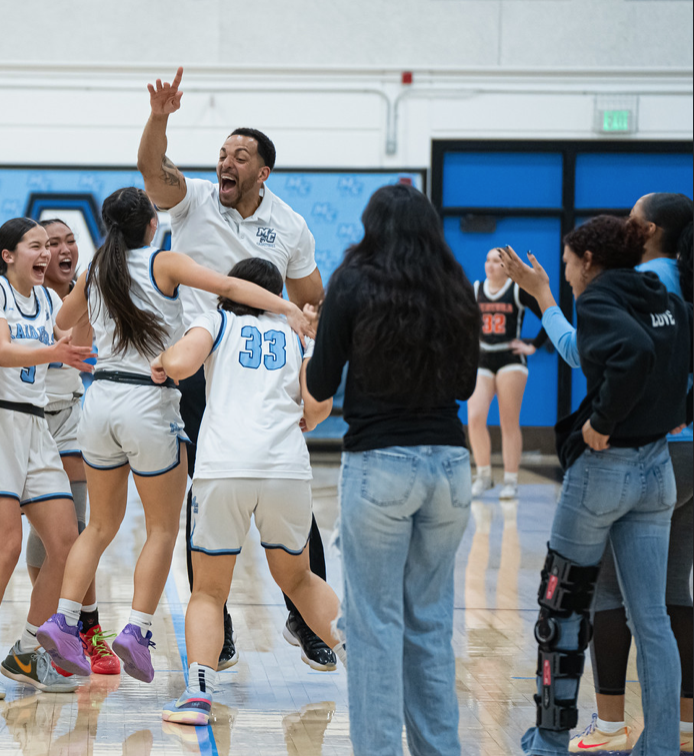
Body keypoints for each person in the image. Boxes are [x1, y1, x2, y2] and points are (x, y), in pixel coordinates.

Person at [36, 188, 311, 684]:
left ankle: (63, 619)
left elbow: (61, 321)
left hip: (98, 403)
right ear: (149, 226)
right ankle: (137, 630)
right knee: (162, 528)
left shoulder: (97, 268)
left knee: (98, 527)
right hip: (148, 398)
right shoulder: (164, 262)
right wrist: (286, 308)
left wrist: (91, 336)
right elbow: (231, 284)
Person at [136, 66, 330, 670]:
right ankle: (213, 629)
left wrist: (313, 343)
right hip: (202, 360)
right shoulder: (192, 198)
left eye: (239, 156)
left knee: (289, 485)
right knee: (208, 493)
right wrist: (160, 118)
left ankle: (308, 618)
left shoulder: (290, 225)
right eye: (222, 153)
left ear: (261, 171)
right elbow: (151, 170)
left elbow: (310, 295)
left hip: (264, 367)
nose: (226, 162)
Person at [500, 195, 693, 754]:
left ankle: (551, 737)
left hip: (607, 470)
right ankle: (658, 744)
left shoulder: (604, 295)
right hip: (658, 471)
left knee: (562, 601)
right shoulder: (661, 292)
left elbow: (622, 354)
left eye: (565, 264)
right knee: (652, 615)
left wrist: (602, 422)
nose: (564, 272)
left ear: (586, 260)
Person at [305, 183, 481, 755]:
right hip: (451, 466)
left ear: (372, 226)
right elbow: (464, 386)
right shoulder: (456, 288)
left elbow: (321, 384)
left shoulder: (353, 282)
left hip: (380, 463)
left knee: (373, 629)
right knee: (430, 627)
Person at [154, 257, 341, 725]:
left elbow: (179, 364)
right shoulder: (297, 335)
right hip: (286, 469)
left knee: (209, 592)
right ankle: (365, 660)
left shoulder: (215, 320)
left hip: (224, 469)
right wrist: (307, 418)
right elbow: (319, 405)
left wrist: (162, 360)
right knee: (299, 580)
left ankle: (199, 695)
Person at [0, 218, 93, 700]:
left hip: (34, 425)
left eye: (48, 248)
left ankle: (28, 651)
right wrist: (53, 349)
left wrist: (97, 284)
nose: (46, 254)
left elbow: (79, 340)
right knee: (6, 545)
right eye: (35, 246)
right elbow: (3, 350)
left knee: (66, 542)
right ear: (8, 254)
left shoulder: (51, 299)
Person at [26, 217, 119, 676]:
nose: (60, 250)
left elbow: (79, 347)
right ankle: (46, 632)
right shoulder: (13, 294)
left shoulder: (87, 298)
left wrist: (85, 291)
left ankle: (86, 630)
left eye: (67, 243)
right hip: (18, 419)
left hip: (67, 417)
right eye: (48, 243)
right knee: (33, 545)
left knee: (74, 534)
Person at [467, 247, 549, 500]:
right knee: (475, 417)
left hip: (509, 358)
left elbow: (549, 313)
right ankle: (483, 475)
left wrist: (533, 345)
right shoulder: (476, 289)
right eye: (487, 260)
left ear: (506, 267)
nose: (490, 265)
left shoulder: (516, 290)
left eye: (496, 261)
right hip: (482, 357)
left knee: (508, 421)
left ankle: (511, 480)